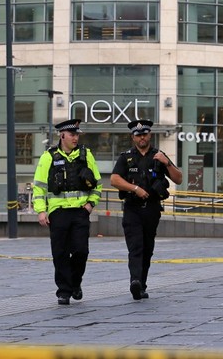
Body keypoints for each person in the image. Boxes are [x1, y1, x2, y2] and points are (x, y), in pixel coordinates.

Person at [110, 119, 183, 300]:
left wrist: (167, 163)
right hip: (132, 208)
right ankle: (135, 281)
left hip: (151, 210)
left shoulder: (159, 155)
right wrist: (134, 188)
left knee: (147, 248)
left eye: (144, 134)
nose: (142, 137)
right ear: (132, 137)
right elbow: (114, 179)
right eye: (138, 135)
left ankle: (141, 284)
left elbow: (179, 179)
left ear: (150, 135)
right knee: (136, 247)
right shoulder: (126, 157)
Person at [33, 119, 102, 305]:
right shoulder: (48, 157)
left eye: (77, 134)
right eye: (72, 134)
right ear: (62, 135)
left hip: (80, 212)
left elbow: (97, 184)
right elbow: (39, 187)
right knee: (60, 253)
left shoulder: (86, 155)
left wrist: (90, 205)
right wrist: (41, 211)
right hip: (58, 213)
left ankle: (75, 283)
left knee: (81, 251)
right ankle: (64, 291)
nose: (75, 138)